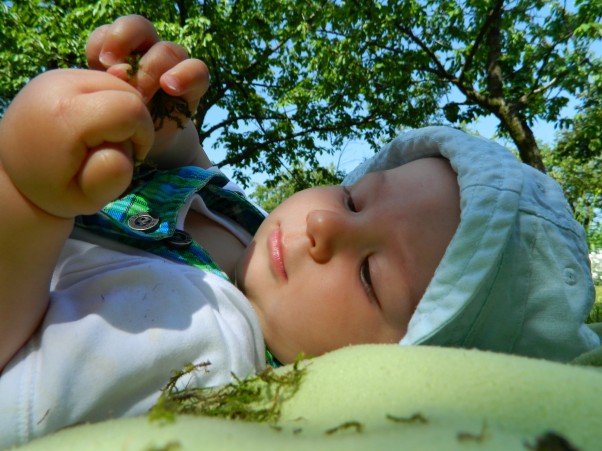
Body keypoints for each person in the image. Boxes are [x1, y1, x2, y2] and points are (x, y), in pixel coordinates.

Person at [0, 15, 598, 448]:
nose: (322, 223)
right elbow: (192, 177)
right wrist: (167, 122)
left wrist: (25, 196)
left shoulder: (206, 349)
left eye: (369, 275)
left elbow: (20, 395)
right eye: (354, 197)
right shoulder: (252, 232)